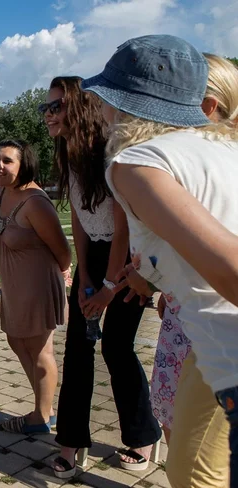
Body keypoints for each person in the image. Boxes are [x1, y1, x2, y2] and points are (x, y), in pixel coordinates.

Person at [81, 35, 238, 487]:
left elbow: (229, 263)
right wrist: (149, 276)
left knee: (195, 476)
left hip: (228, 344)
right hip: (206, 346)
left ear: (123, 102)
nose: (101, 109)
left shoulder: (137, 163)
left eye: (105, 97)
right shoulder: (222, 148)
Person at [42, 76, 161, 478]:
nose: (48, 115)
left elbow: (123, 223)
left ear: (79, 107)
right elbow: (79, 216)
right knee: (77, 347)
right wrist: (84, 275)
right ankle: (72, 440)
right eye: (45, 108)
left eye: (55, 106)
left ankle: (143, 434)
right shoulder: (68, 153)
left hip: (128, 257)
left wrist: (110, 286)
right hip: (94, 254)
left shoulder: (111, 151)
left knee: (117, 346)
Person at [144, 52, 237, 488]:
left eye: (166, 102)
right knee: (179, 434)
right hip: (187, 320)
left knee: (193, 469)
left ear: (206, 107)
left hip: (220, 332)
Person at [0, 140, 70, 434]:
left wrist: (65, 274)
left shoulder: (35, 202)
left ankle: (41, 416)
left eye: (7, 161)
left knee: (39, 350)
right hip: (13, 285)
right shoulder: (2, 192)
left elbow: (63, 252)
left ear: (24, 165)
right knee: (16, 340)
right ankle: (45, 405)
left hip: (36, 285)